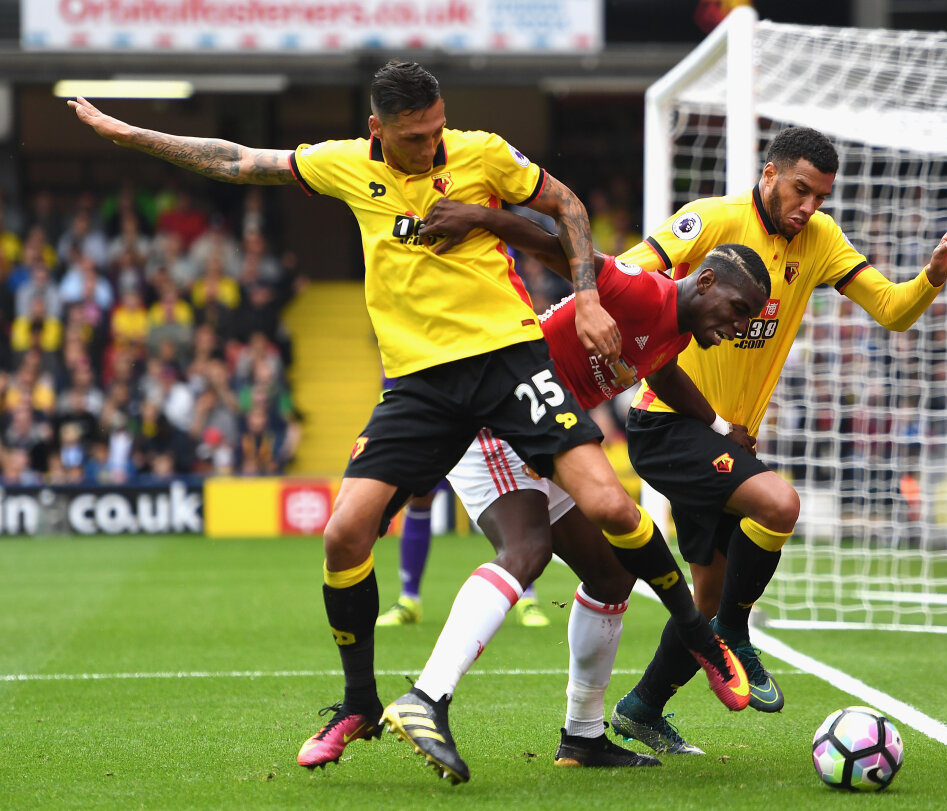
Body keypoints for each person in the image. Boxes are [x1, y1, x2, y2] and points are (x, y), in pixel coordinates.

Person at [69, 60, 745, 783]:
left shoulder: (481, 152)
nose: (431, 147)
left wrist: (583, 296)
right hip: (420, 382)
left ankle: (698, 636)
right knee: (342, 532)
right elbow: (236, 160)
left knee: (612, 503)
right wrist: (127, 132)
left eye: (435, 129)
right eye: (414, 138)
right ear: (376, 131)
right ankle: (360, 702)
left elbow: (568, 208)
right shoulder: (342, 167)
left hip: (507, 357)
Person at [608, 126, 947, 755]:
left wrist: (933, 274)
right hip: (667, 420)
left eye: (820, 195)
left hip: (732, 439)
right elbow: (624, 274)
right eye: (800, 190)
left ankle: (643, 706)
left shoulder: (821, 239)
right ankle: (736, 629)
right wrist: (635, 338)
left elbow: (891, 310)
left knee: (707, 592)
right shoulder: (710, 219)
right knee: (780, 505)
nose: (808, 205)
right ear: (769, 176)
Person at [376, 200, 769, 780]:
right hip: (499, 422)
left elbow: (659, 371)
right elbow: (553, 246)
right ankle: (428, 697)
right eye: (737, 310)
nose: (739, 327)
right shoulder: (638, 291)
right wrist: (480, 221)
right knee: (527, 551)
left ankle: (583, 737)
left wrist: (716, 429)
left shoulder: (675, 332)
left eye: (747, 319)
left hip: (549, 440)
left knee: (612, 574)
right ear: (703, 279)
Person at [376, 484, 551, 628]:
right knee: (420, 494)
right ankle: (409, 599)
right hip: (439, 441)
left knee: (508, 495)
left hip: (479, 443)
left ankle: (526, 599)